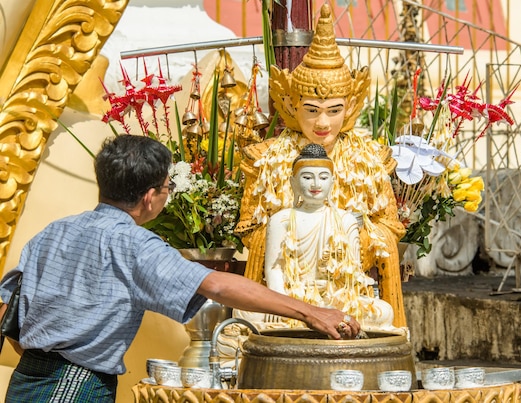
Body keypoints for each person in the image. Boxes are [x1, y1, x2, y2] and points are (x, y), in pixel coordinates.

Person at [0, 134, 360, 402]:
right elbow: (216, 286)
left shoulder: (54, 231)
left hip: (27, 378)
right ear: (150, 197)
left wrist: (39, 352)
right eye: (167, 187)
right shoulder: (133, 244)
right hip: (74, 386)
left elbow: (6, 307)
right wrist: (311, 312)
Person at [235, 3, 407, 327]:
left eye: (334, 110)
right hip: (289, 290)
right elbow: (250, 230)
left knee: (380, 314)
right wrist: (287, 228)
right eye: (312, 110)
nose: (323, 122)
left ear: (351, 106)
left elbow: (391, 227)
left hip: (345, 287)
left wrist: (351, 234)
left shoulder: (369, 158)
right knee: (248, 314)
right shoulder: (267, 158)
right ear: (290, 103)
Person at [234, 144, 395, 331]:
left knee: (384, 312)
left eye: (323, 177)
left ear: (333, 183)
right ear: (293, 182)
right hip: (292, 300)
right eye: (307, 177)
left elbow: (354, 273)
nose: (316, 184)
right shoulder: (281, 220)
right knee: (243, 312)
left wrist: (334, 295)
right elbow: (274, 268)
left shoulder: (346, 220)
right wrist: (280, 302)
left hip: (334, 299)